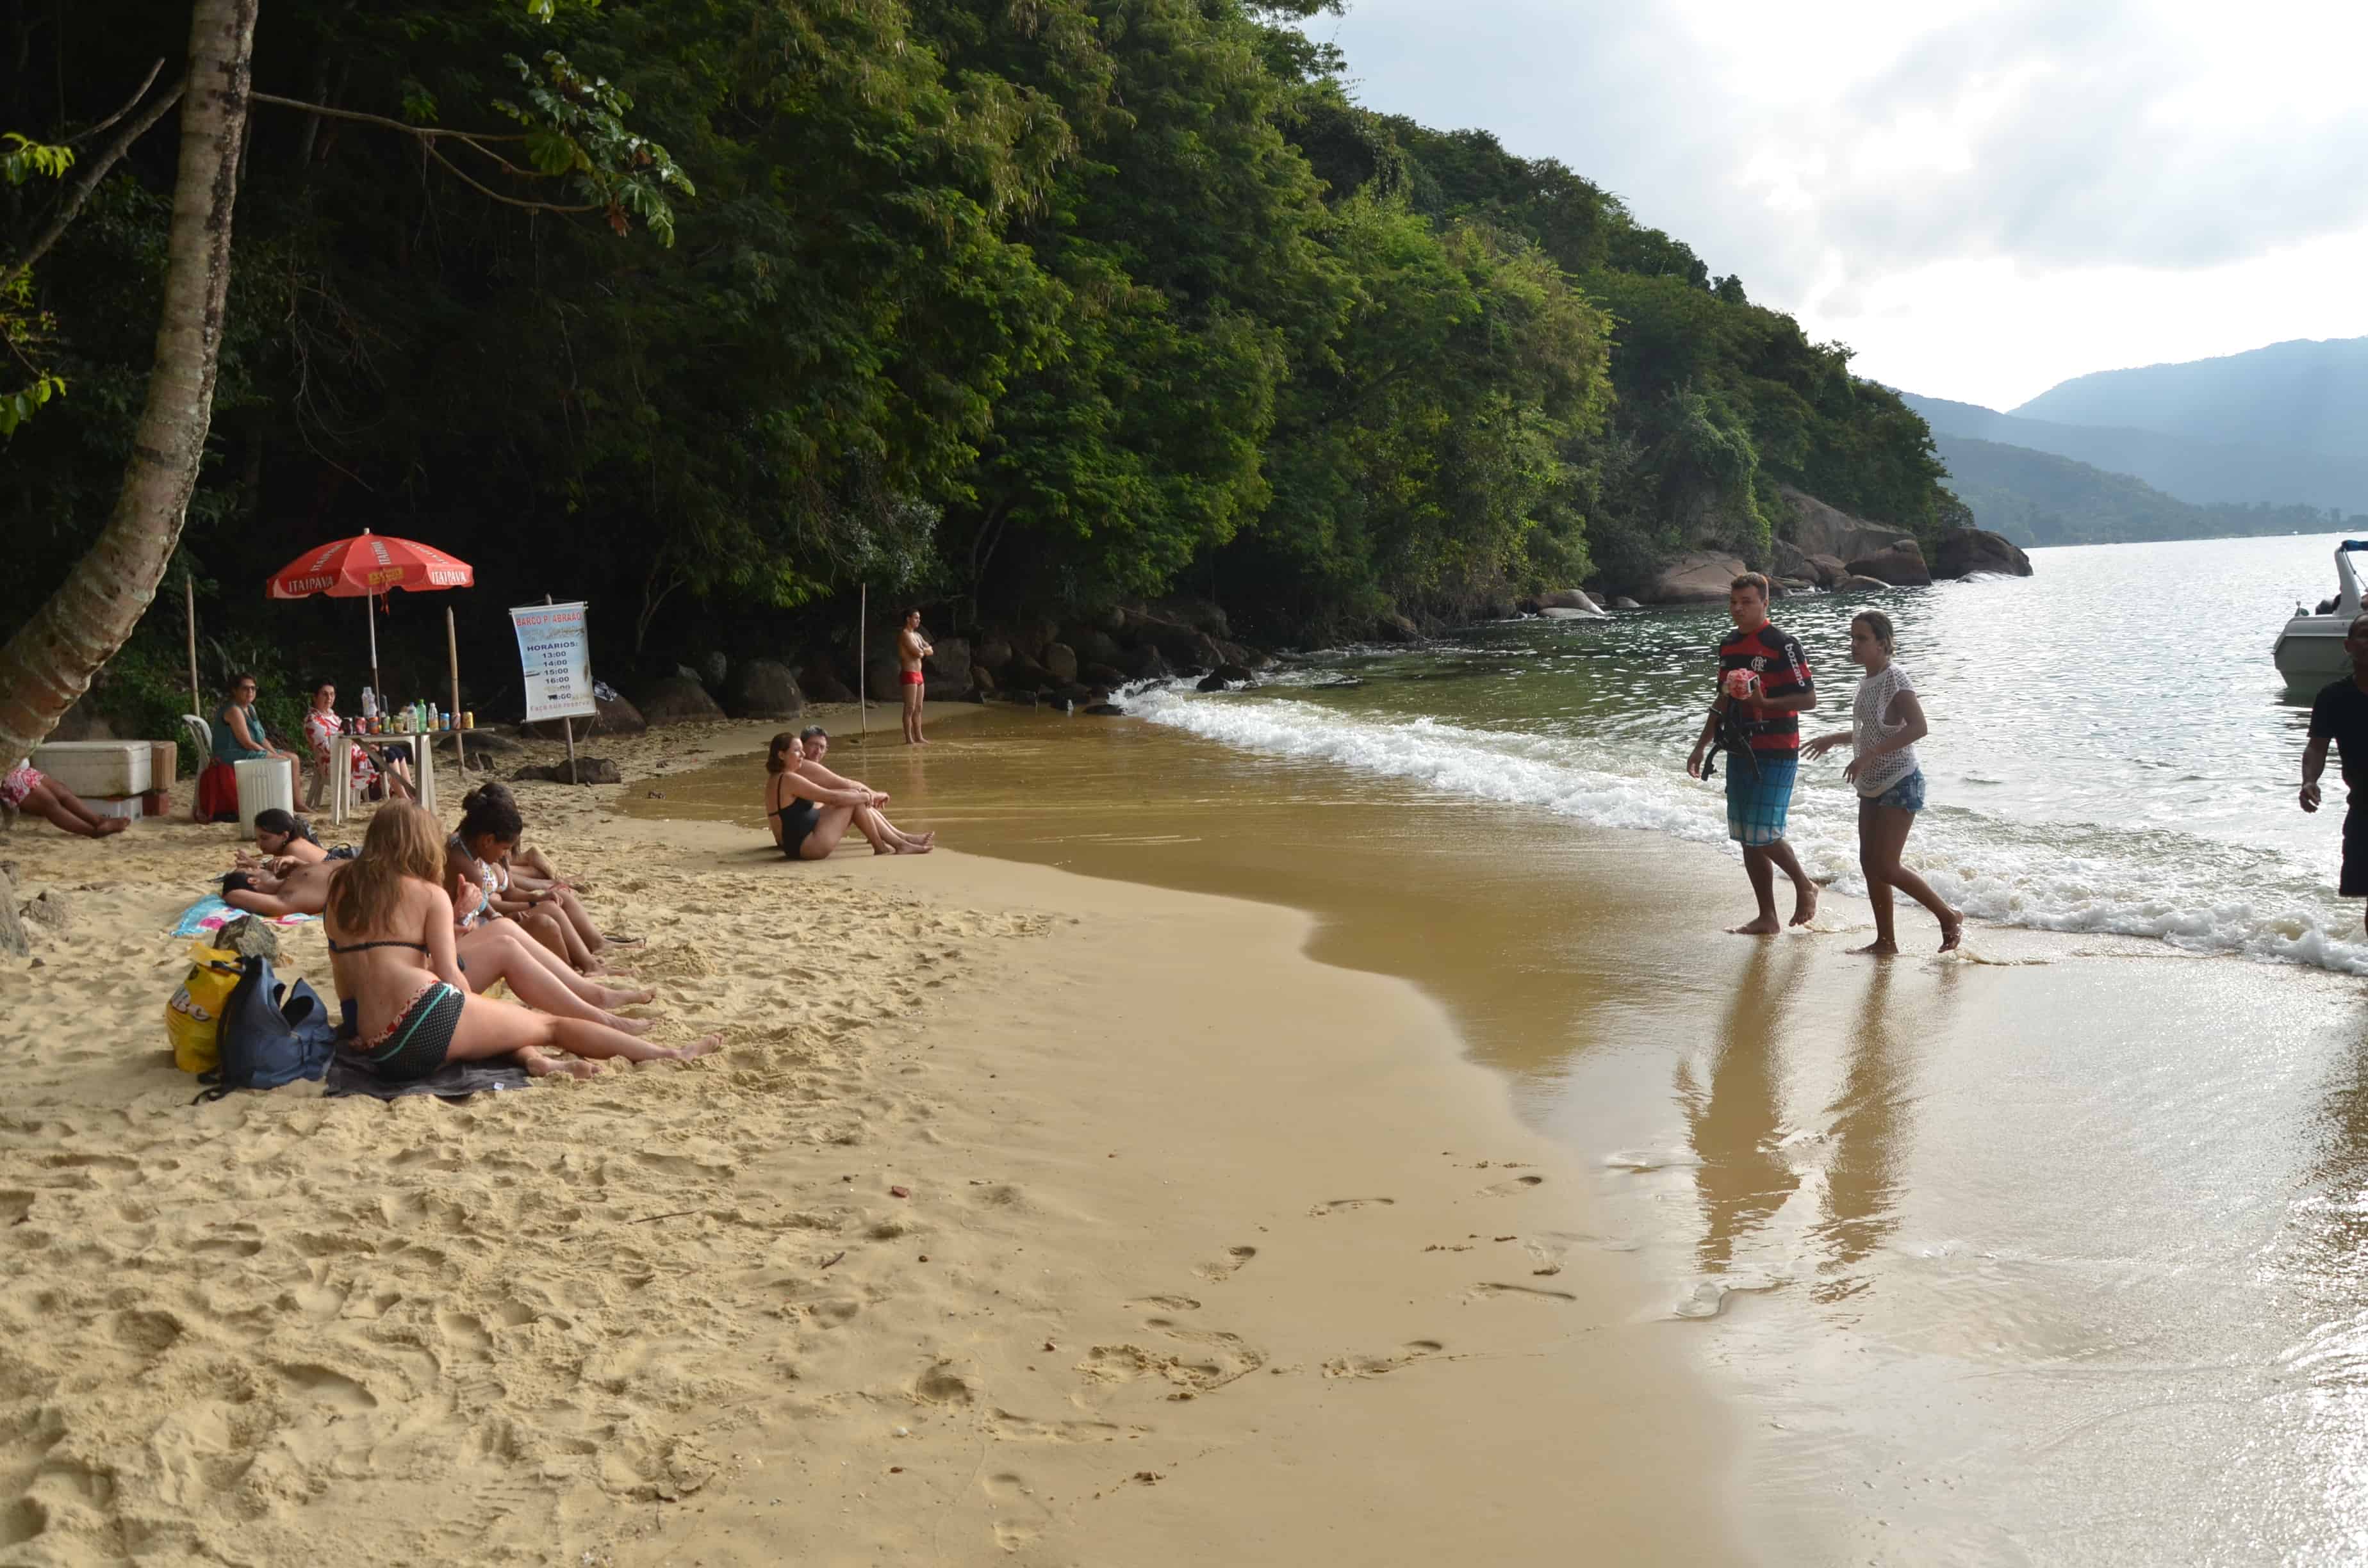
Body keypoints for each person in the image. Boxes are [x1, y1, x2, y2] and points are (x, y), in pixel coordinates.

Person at [324, 803, 716, 1082]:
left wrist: (358, 1027)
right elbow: (451, 981)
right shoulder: (428, 893)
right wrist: (463, 923)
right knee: (550, 1024)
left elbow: (349, 969)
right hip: (421, 1021)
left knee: (503, 1023)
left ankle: (550, 1048)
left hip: (376, 1041)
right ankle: (667, 1054)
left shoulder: (341, 887)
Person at [1802, 610, 1962, 955]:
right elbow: (1873, 731)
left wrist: (1870, 754)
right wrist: (1836, 738)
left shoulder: (1895, 679)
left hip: (1901, 780)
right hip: (1872, 782)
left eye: (1862, 639)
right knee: (1868, 863)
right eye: (1852, 638)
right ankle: (1886, 942)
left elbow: (1919, 727)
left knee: (1886, 865)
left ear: (1883, 643)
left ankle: (1948, 916)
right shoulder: (1867, 680)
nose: (1854, 645)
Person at [1686, 573, 1820, 936]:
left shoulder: (1783, 645)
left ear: (1765, 603)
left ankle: (1804, 884)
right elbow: (1722, 699)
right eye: (1733, 603)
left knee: (1763, 833)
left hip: (1777, 750)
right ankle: (1767, 917)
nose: (1738, 609)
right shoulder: (1729, 646)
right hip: (1739, 748)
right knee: (1746, 834)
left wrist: (1766, 703)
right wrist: (1701, 745)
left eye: (1747, 602)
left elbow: (1808, 699)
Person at [445, 785, 602, 972]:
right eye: (504, 849)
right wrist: (515, 912)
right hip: (462, 942)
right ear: (487, 840)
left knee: (549, 910)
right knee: (544, 923)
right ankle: (570, 973)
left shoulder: (458, 845)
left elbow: (481, 902)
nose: (505, 856)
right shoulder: (470, 869)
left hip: (468, 930)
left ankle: (581, 966)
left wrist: (496, 914)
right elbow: (467, 922)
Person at [2301, 612, 2368, 933]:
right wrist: (2309, 780)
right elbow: (2317, 746)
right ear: (2349, 646)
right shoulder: (2334, 697)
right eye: (2366, 635)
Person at [764, 731, 930, 860]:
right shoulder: (788, 779)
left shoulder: (778, 777)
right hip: (806, 847)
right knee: (854, 801)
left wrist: (861, 794)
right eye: (797, 751)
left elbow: (835, 794)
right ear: (781, 755)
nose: (804, 755)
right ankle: (886, 846)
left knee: (851, 796)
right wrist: (865, 797)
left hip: (797, 844)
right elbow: (831, 798)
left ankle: (897, 842)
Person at [799, 726, 935, 852]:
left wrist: (868, 795)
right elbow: (845, 783)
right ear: (801, 745)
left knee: (856, 797)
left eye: (822, 747)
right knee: (856, 798)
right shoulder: (804, 765)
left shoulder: (804, 765)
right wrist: (873, 795)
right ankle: (894, 843)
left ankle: (901, 838)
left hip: (812, 823)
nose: (818, 751)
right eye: (813, 745)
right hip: (806, 831)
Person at [301, 682, 413, 806]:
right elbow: (329, 749)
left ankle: (411, 793)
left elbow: (347, 737)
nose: (329, 698)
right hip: (338, 763)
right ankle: (404, 798)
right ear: (315, 697)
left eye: (332, 694)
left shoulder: (333, 716)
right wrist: (357, 745)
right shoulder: (313, 721)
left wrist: (364, 747)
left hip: (353, 754)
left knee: (396, 751)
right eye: (325, 694)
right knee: (389, 756)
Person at [0, 760, 130, 837]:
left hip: (21, 769)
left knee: (62, 791)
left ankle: (99, 821)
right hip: (7, 775)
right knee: (49, 804)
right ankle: (92, 832)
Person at [212, 674, 303, 769]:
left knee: (293, 759)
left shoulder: (251, 708)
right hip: (231, 755)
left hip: (248, 751)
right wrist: (270, 755)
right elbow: (247, 743)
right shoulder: (234, 710)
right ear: (235, 690)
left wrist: (274, 753)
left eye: (253, 688)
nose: (250, 691)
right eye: (245, 688)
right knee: (279, 761)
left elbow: (261, 738)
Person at [898, 609, 933, 745]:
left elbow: (930, 650)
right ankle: (909, 739)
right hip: (909, 673)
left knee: (919, 707)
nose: (918, 620)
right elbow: (917, 652)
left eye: (919, 618)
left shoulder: (917, 635)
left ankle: (919, 736)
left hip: (919, 674)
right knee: (910, 708)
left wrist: (922, 651)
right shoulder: (905, 635)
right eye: (916, 618)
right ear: (908, 619)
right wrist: (923, 651)